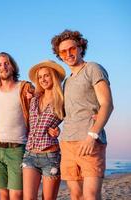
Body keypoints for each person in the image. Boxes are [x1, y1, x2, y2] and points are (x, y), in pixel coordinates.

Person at [51, 29, 114, 200]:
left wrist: (92, 135)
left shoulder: (93, 68)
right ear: (59, 55)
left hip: (89, 141)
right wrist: (55, 128)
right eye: (63, 51)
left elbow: (107, 104)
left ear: (80, 47)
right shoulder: (67, 81)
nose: (68, 54)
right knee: (76, 195)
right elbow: (69, 112)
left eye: (72, 48)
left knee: (91, 195)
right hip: (68, 142)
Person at [0, 52, 34, 200]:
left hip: (18, 148)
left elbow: (42, 102)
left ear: (12, 66)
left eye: (6, 63)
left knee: (17, 194)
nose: (3, 67)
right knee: (3, 195)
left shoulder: (24, 87)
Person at [22, 60, 66, 200]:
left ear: (53, 76)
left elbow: (73, 120)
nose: (43, 79)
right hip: (30, 155)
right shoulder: (34, 99)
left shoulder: (62, 99)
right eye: (40, 77)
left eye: (46, 75)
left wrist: (59, 130)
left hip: (51, 156)